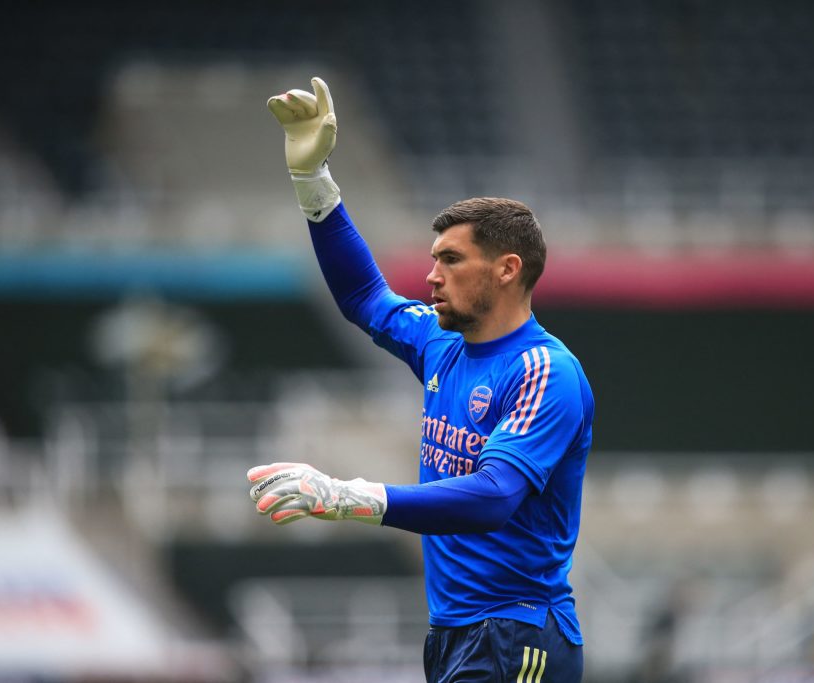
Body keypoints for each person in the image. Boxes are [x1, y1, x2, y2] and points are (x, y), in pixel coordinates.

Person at [247, 77, 594, 683]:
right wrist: (313, 182)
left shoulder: (545, 372)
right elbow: (363, 296)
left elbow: (493, 497)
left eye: (451, 260)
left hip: (517, 636)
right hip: (455, 633)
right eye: (433, 259)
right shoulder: (441, 342)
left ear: (508, 269)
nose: (432, 275)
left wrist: (349, 498)